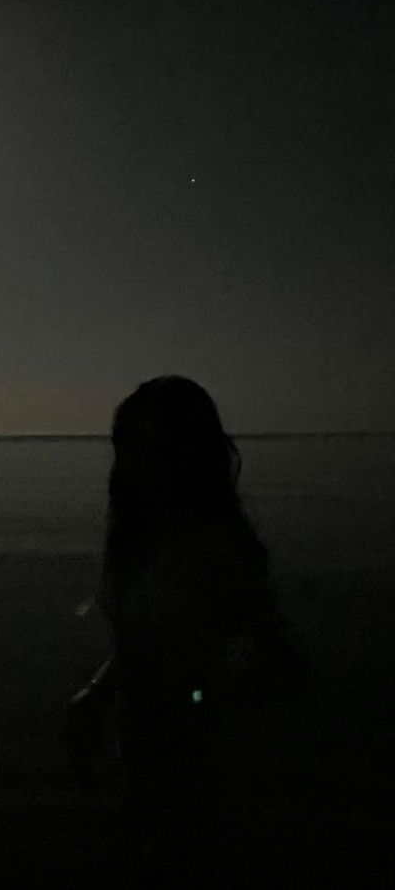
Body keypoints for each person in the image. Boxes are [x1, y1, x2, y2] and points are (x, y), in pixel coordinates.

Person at [67, 376, 296, 885]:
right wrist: (95, 694)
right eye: (130, 448)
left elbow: (281, 663)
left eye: (158, 449)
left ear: (192, 455)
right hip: (141, 765)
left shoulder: (215, 550)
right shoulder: (139, 539)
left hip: (197, 776)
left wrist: (196, 692)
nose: (140, 465)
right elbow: (138, 640)